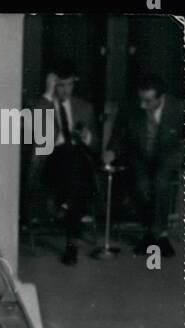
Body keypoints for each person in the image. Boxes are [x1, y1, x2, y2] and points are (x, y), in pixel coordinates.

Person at [109, 74, 181, 257]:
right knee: (141, 187)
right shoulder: (130, 107)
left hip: (168, 155)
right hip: (140, 156)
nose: (142, 105)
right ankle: (156, 234)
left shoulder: (177, 109)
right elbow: (119, 135)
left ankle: (156, 234)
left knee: (160, 182)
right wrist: (111, 151)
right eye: (141, 99)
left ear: (161, 98)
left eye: (148, 101)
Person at [36, 64, 99, 265]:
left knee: (76, 164)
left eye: (69, 85)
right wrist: (47, 93)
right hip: (52, 161)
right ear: (53, 84)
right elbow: (37, 133)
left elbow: (96, 144)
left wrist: (86, 136)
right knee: (72, 160)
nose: (65, 90)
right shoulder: (43, 104)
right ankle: (71, 235)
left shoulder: (84, 107)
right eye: (60, 85)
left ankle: (66, 208)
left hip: (79, 164)